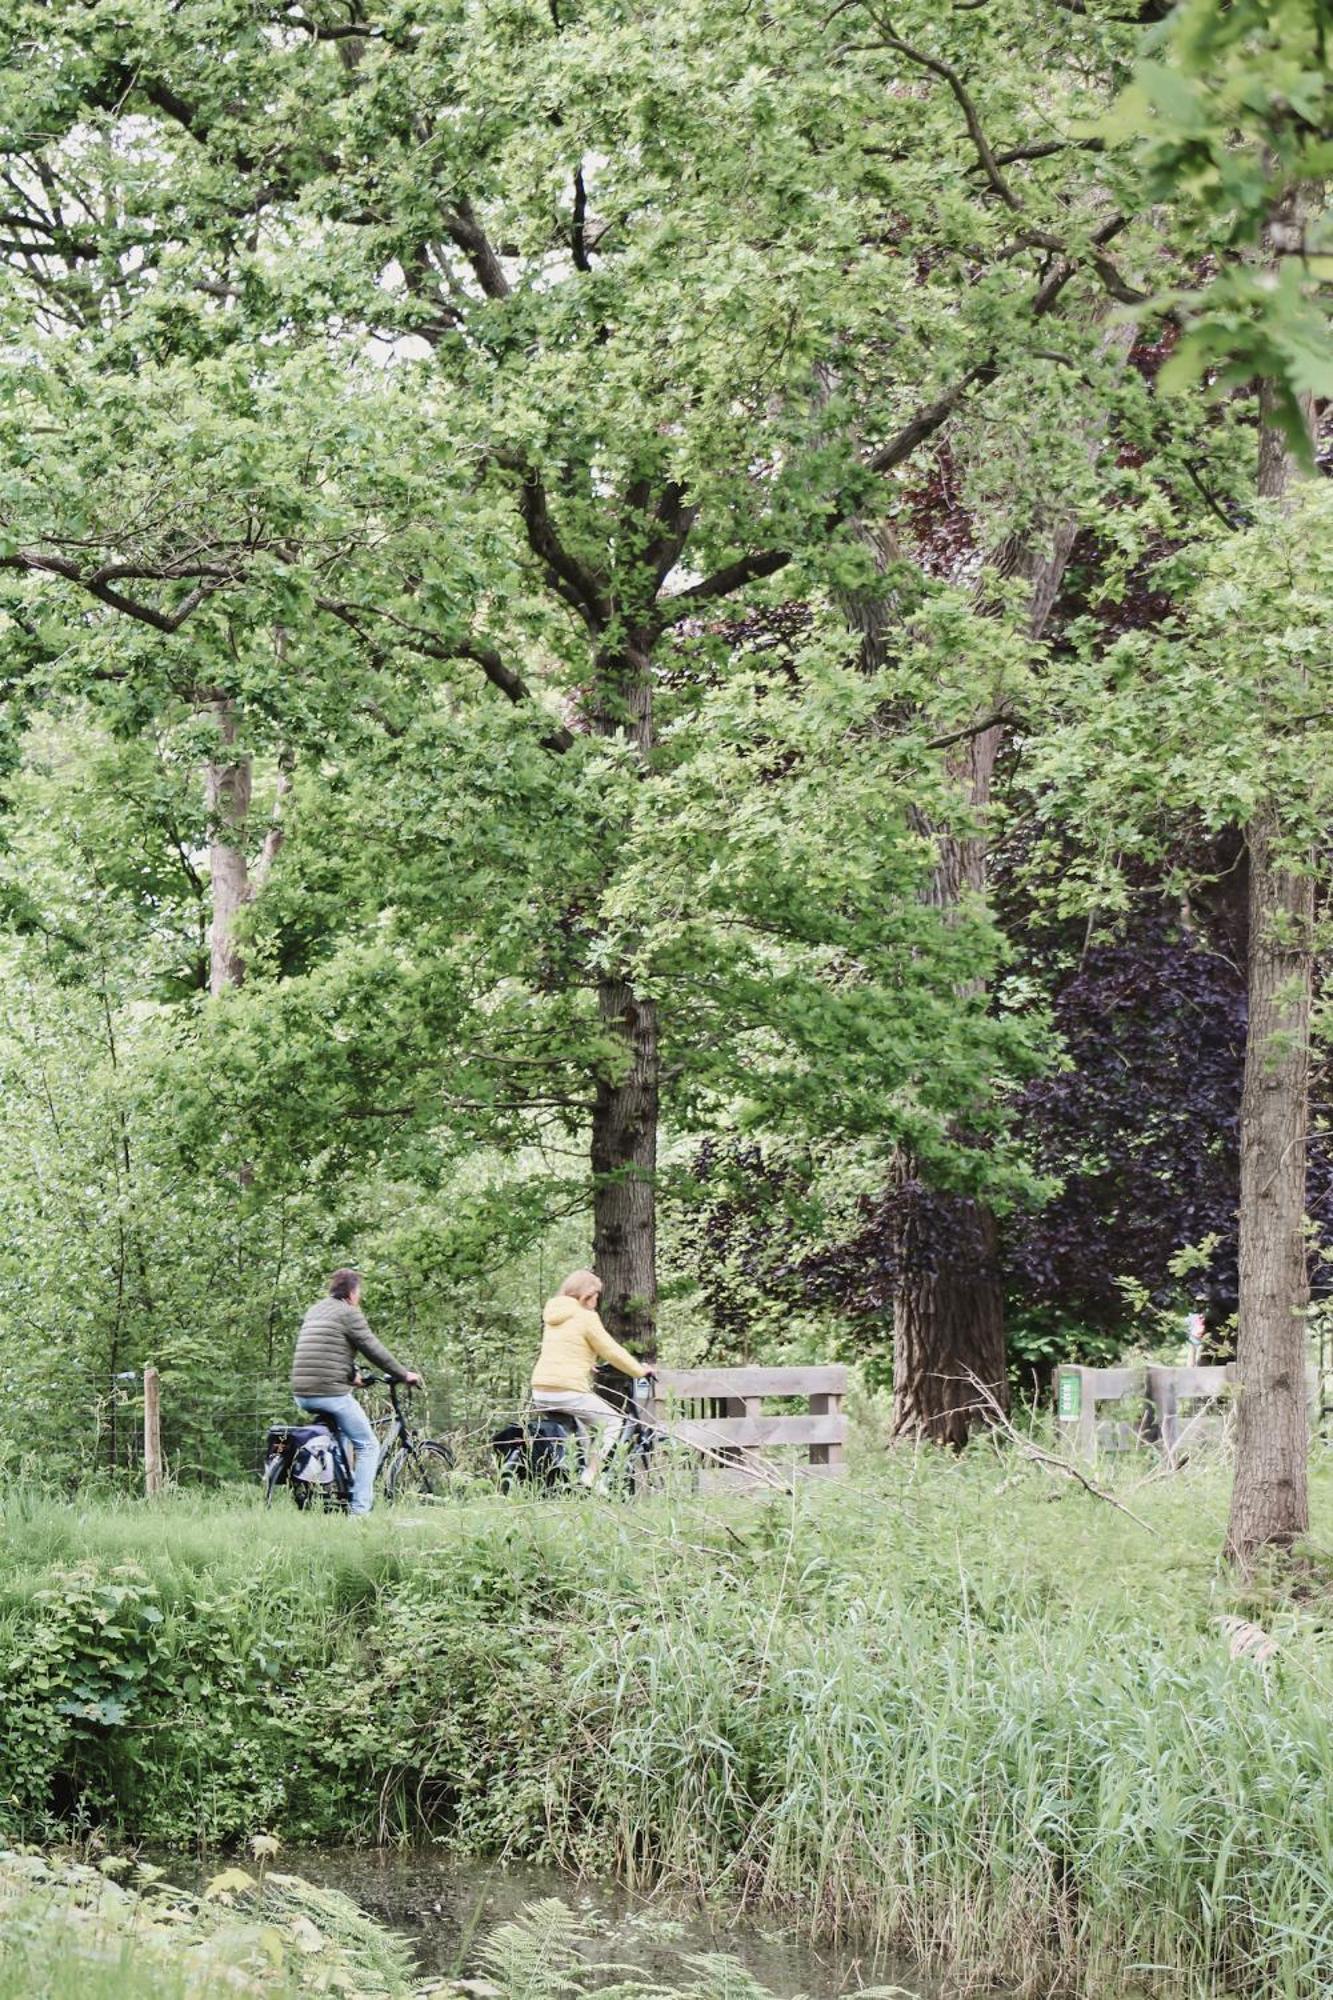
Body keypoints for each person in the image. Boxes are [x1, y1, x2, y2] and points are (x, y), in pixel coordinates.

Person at [291, 1268, 421, 1516]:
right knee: (368, 1445)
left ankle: (340, 1488)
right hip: (329, 1392)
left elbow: (328, 1350)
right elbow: (373, 1348)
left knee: (345, 1435)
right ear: (351, 1292)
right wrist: (404, 1375)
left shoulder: (316, 1310)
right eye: (358, 1292)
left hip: (301, 1393)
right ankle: (360, 1513)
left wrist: (353, 1377)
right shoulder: (349, 1313)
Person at [531, 1269, 649, 1488]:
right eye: (595, 1295)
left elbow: (565, 1348)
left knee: (583, 1433)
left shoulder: (554, 1315)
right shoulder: (586, 1317)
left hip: (540, 1389)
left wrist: (587, 1363)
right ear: (585, 1295)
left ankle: (575, 1483)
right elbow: (611, 1351)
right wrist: (640, 1371)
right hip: (566, 1390)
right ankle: (591, 1476)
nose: (597, 1300)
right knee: (613, 1422)